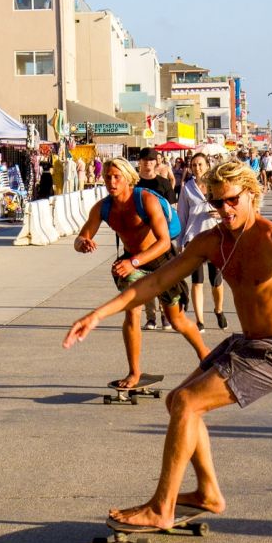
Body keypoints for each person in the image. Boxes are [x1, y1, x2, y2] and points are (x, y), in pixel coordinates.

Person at [64, 160, 272, 529]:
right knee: (177, 401)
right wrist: (97, 315)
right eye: (217, 203)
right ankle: (208, 492)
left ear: (252, 195)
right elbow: (155, 283)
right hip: (247, 343)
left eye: (232, 201)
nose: (225, 210)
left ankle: (162, 507)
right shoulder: (213, 242)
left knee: (188, 404)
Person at [73, 158, 207, 388]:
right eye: (107, 177)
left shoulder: (146, 200)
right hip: (131, 263)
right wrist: (82, 243)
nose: (111, 182)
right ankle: (134, 372)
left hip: (161, 261)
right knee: (132, 312)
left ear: (128, 178)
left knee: (176, 320)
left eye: (117, 177)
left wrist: (134, 262)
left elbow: (164, 242)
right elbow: (81, 237)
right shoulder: (103, 207)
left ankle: (207, 358)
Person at [176, 153, 229, 331]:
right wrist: (180, 241)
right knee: (197, 281)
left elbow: (229, 208)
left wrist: (219, 213)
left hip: (215, 237)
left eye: (200, 164)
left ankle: (219, 309)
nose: (197, 168)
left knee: (216, 281)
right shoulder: (187, 188)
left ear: (207, 165)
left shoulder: (217, 185)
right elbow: (182, 216)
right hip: (194, 239)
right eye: (194, 165)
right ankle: (200, 321)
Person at [136, 147, 179, 330]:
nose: (148, 163)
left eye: (151, 160)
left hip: (162, 237)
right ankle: (151, 317)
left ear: (156, 162)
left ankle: (166, 315)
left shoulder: (163, 183)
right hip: (139, 237)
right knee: (144, 279)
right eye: (145, 160)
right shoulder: (134, 184)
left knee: (162, 277)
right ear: (140, 162)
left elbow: (172, 210)